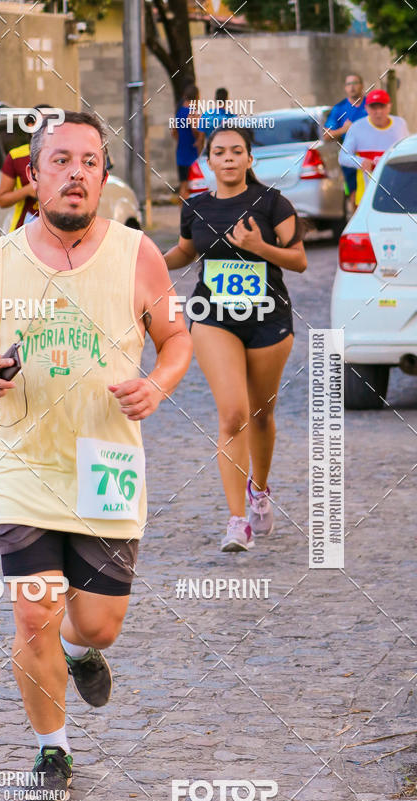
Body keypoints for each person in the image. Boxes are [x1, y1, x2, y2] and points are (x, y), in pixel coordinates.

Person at [0, 110, 192, 801]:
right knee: (32, 612)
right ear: (35, 175)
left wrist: (158, 385)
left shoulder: (137, 254)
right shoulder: (2, 257)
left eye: (89, 162)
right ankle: (53, 749)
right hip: (24, 464)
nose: (75, 173)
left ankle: (83, 653)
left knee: (99, 622)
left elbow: (177, 342)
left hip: (107, 465)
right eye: (61, 161)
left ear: (104, 178)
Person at [164, 126, 307, 552]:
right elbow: (185, 252)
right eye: (219, 152)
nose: (228, 158)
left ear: (249, 159)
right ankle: (236, 522)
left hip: (267, 319)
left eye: (237, 151)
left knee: (261, 415)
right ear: (208, 161)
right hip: (213, 316)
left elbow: (299, 260)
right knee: (233, 415)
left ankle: (259, 492)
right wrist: (143, 259)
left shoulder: (273, 203)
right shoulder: (195, 206)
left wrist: (259, 246)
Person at [338, 89, 409, 206]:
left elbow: (406, 152)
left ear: (389, 107)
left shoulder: (400, 124)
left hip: (397, 195)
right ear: (366, 108)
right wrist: (360, 161)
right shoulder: (357, 128)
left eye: (382, 107)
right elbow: (342, 157)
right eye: (373, 108)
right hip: (367, 197)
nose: (378, 112)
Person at [323, 73, 367, 210]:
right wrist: (343, 129)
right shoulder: (339, 109)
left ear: (362, 85)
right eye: (349, 84)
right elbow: (326, 135)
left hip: (371, 154)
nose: (352, 87)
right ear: (345, 88)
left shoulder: (371, 105)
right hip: (351, 158)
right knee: (355, 197)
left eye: (355, 83)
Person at [0, 108, 46, 230]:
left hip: (56, 231)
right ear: (30, 126)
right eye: (42, 122)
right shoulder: (16, 156)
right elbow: (2, 200)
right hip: (23, 229)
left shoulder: (64, 155)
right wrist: (27, 190)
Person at [171, 82, 204, 201]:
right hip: (192, 153)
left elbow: (174, 132)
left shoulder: (179, 111)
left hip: (181, 152)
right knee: (195, 185)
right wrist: (199, 139)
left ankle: (182, 214)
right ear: (196, 97)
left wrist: (181, 140)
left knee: (183, 185)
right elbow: (196, 130)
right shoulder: (193, 112)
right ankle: (191, 213)